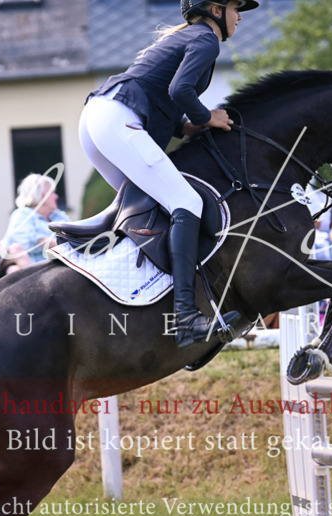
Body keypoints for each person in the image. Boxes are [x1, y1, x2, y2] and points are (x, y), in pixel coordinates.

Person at [78, 0, 257, 348]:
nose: (240, 17)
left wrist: (186, 127)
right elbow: (179, 90)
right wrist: (207, 117)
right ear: (216, 10)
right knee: (186, 203)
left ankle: (141, 303)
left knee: (151, 211)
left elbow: (160, 92)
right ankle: (186, 318)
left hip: (97, 120)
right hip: (117, 119)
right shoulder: (206, 39)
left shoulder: (189, 36)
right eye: (237, 8)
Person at [4, 173, 69, 263]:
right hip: (35, 270)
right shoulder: (21, 215)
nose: (56, 196)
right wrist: (66, 242)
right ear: (38, 194)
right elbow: (30, 243)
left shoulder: (59, 215)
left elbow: (74, 234)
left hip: (63, 265)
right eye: (52, 192)